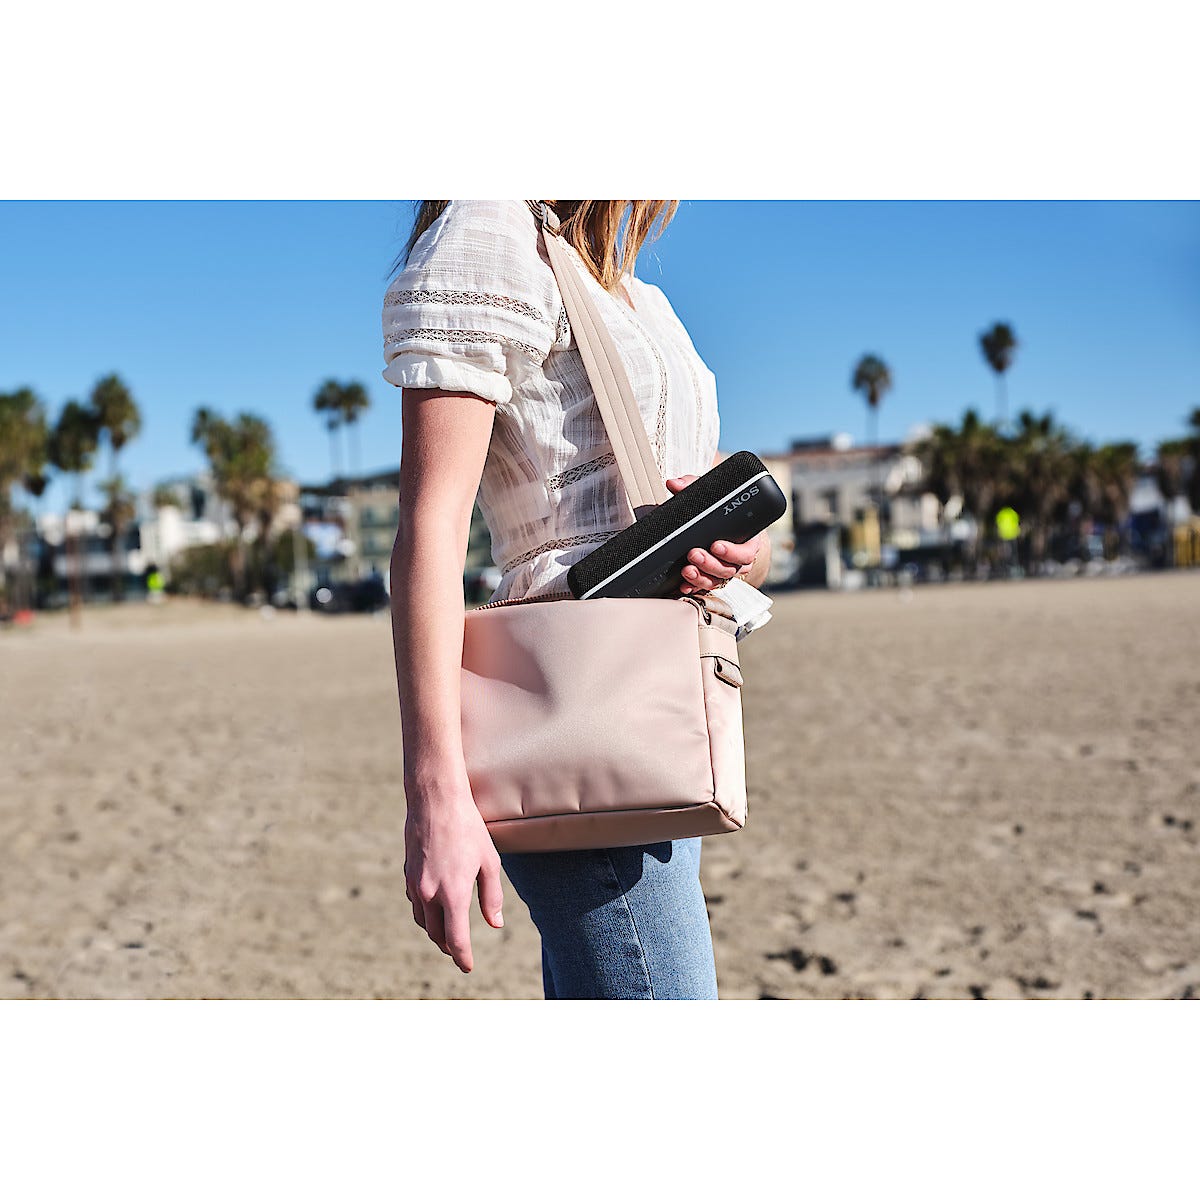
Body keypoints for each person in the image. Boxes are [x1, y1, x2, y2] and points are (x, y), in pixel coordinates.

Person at [383, 200, 771, 999]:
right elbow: (431, 526)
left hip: (663, 710)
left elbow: (678, 495)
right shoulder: (490, 231)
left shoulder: (633, 294)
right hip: (572, 709)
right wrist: (434, 796)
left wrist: (740, 552)